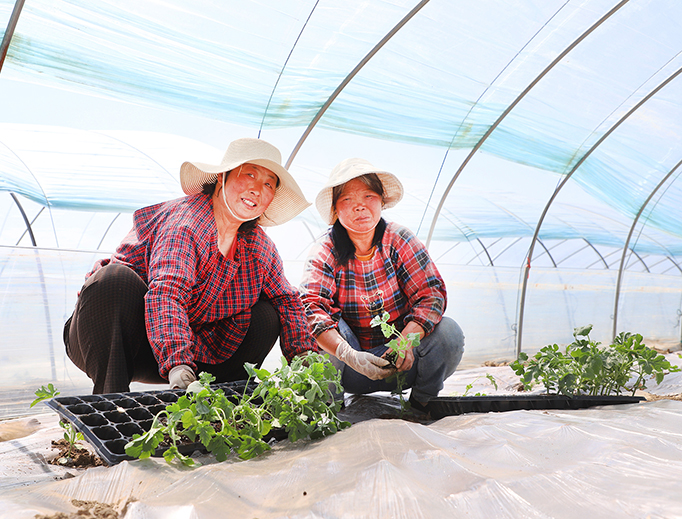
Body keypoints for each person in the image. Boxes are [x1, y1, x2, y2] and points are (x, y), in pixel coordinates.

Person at [64, 138, 318, 394]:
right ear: (222, 177)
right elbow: (167, 292)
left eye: (268, 184)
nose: (257, 189)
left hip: (195, 349)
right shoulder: (186, 224)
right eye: (249, 175)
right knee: (114, 280)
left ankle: (224, 403)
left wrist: (306, 361)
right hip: (120, 340)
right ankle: (113, 400)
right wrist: (178, 364)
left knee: (266, 316)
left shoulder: (260, 248)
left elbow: (287, 300)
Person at [299, 158, 464, 409]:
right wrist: (349, 355)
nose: (360, 207)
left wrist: (405, 342)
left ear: (381, 201)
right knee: (314, 335)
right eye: (347, 200)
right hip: (351, 369)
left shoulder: (399, 238)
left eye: (368, 196)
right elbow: (312, 307)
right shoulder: (325, 249)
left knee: (449, 333)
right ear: (335, 210)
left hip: (402, 363)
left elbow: (431, 295)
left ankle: (421, 405)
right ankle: (331, 413)